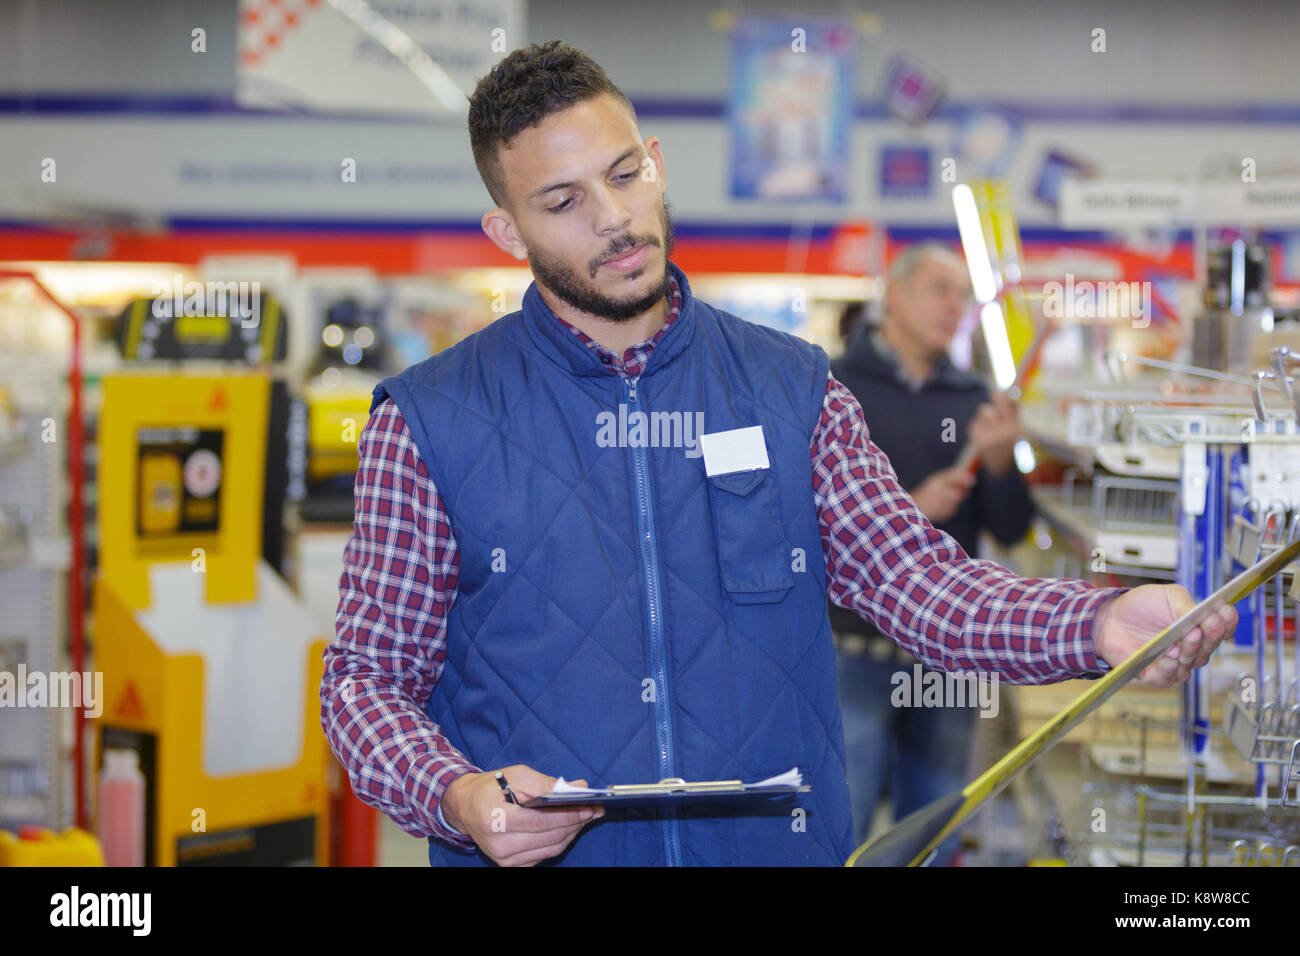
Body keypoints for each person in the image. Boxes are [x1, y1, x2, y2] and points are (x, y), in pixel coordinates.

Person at [320, 40, 1236, 867]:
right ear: (509, 233)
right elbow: (365, 683)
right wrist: (457, 795)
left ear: (658, 164)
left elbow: (919, 584)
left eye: (626, 174)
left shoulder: (792, 387)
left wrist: (1098, 623)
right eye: (564, 201)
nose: (614, 218)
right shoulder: (429, 420)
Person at [829, 243, 1033, 864]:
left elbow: (1012, 526)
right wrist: (909, 505)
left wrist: (999, 464)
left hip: (944, 649)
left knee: (935, 820)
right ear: (895, 294)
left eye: (963, 296)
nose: (955, 307)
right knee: (846, 815)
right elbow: (803, 522)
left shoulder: (974, 400)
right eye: (940, 290)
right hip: (850, 648)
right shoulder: (834, 386)